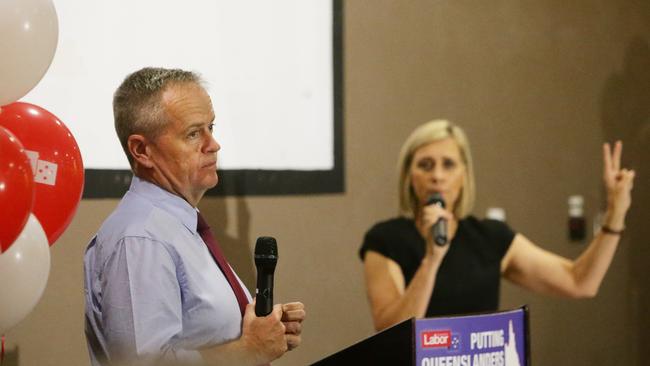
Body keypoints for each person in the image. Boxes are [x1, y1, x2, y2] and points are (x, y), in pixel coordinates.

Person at [84, 67, 305, 365]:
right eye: (192, 133)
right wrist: (250, 349)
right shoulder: (141, 238)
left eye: (211, 128)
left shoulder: (178, 226)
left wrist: (263, 330)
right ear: (141, 150)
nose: (213, 145)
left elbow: (203, 335)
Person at [359, 119, 635, 331]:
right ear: (409, 175)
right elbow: (390, 332)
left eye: (448, 164)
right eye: (426, 165)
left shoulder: (489, 237)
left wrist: (616, 213)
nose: (437, 176)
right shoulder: (385, 240)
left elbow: (580, 281)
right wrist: (431, 260)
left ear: (465, 175)